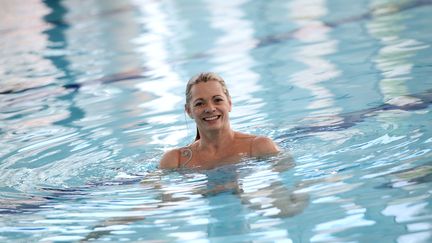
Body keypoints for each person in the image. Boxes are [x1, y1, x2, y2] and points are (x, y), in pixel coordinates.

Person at [160, 72, 280, 169]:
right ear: (189, 111)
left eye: (217, 100)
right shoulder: (176, 160)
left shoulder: (259, 147)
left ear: (229, 103)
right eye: (200, 103)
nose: (210, 109)